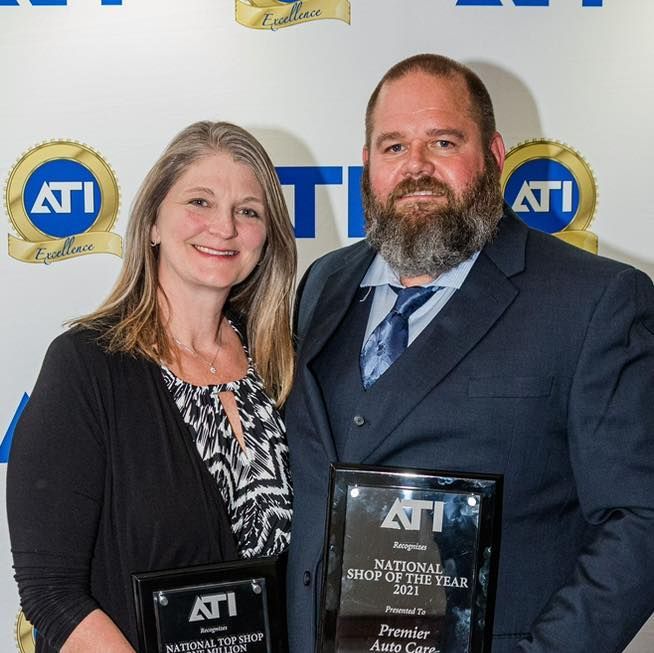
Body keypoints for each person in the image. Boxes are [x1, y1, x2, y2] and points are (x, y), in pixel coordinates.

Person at [285, 54, 654, 653]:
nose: (417, 167)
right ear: (367, 165)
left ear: (494, 155)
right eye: (394, 147)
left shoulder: (595, 301)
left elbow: (641, 519)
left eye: (443, 141)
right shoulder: (323, 284)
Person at [7, 120, 296, 652]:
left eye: (248, 211)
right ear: (154, 222)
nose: (224, 227)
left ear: (267, 237)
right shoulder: (87, 365)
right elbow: (52, 592)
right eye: (200, 202)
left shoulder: (282, 369)